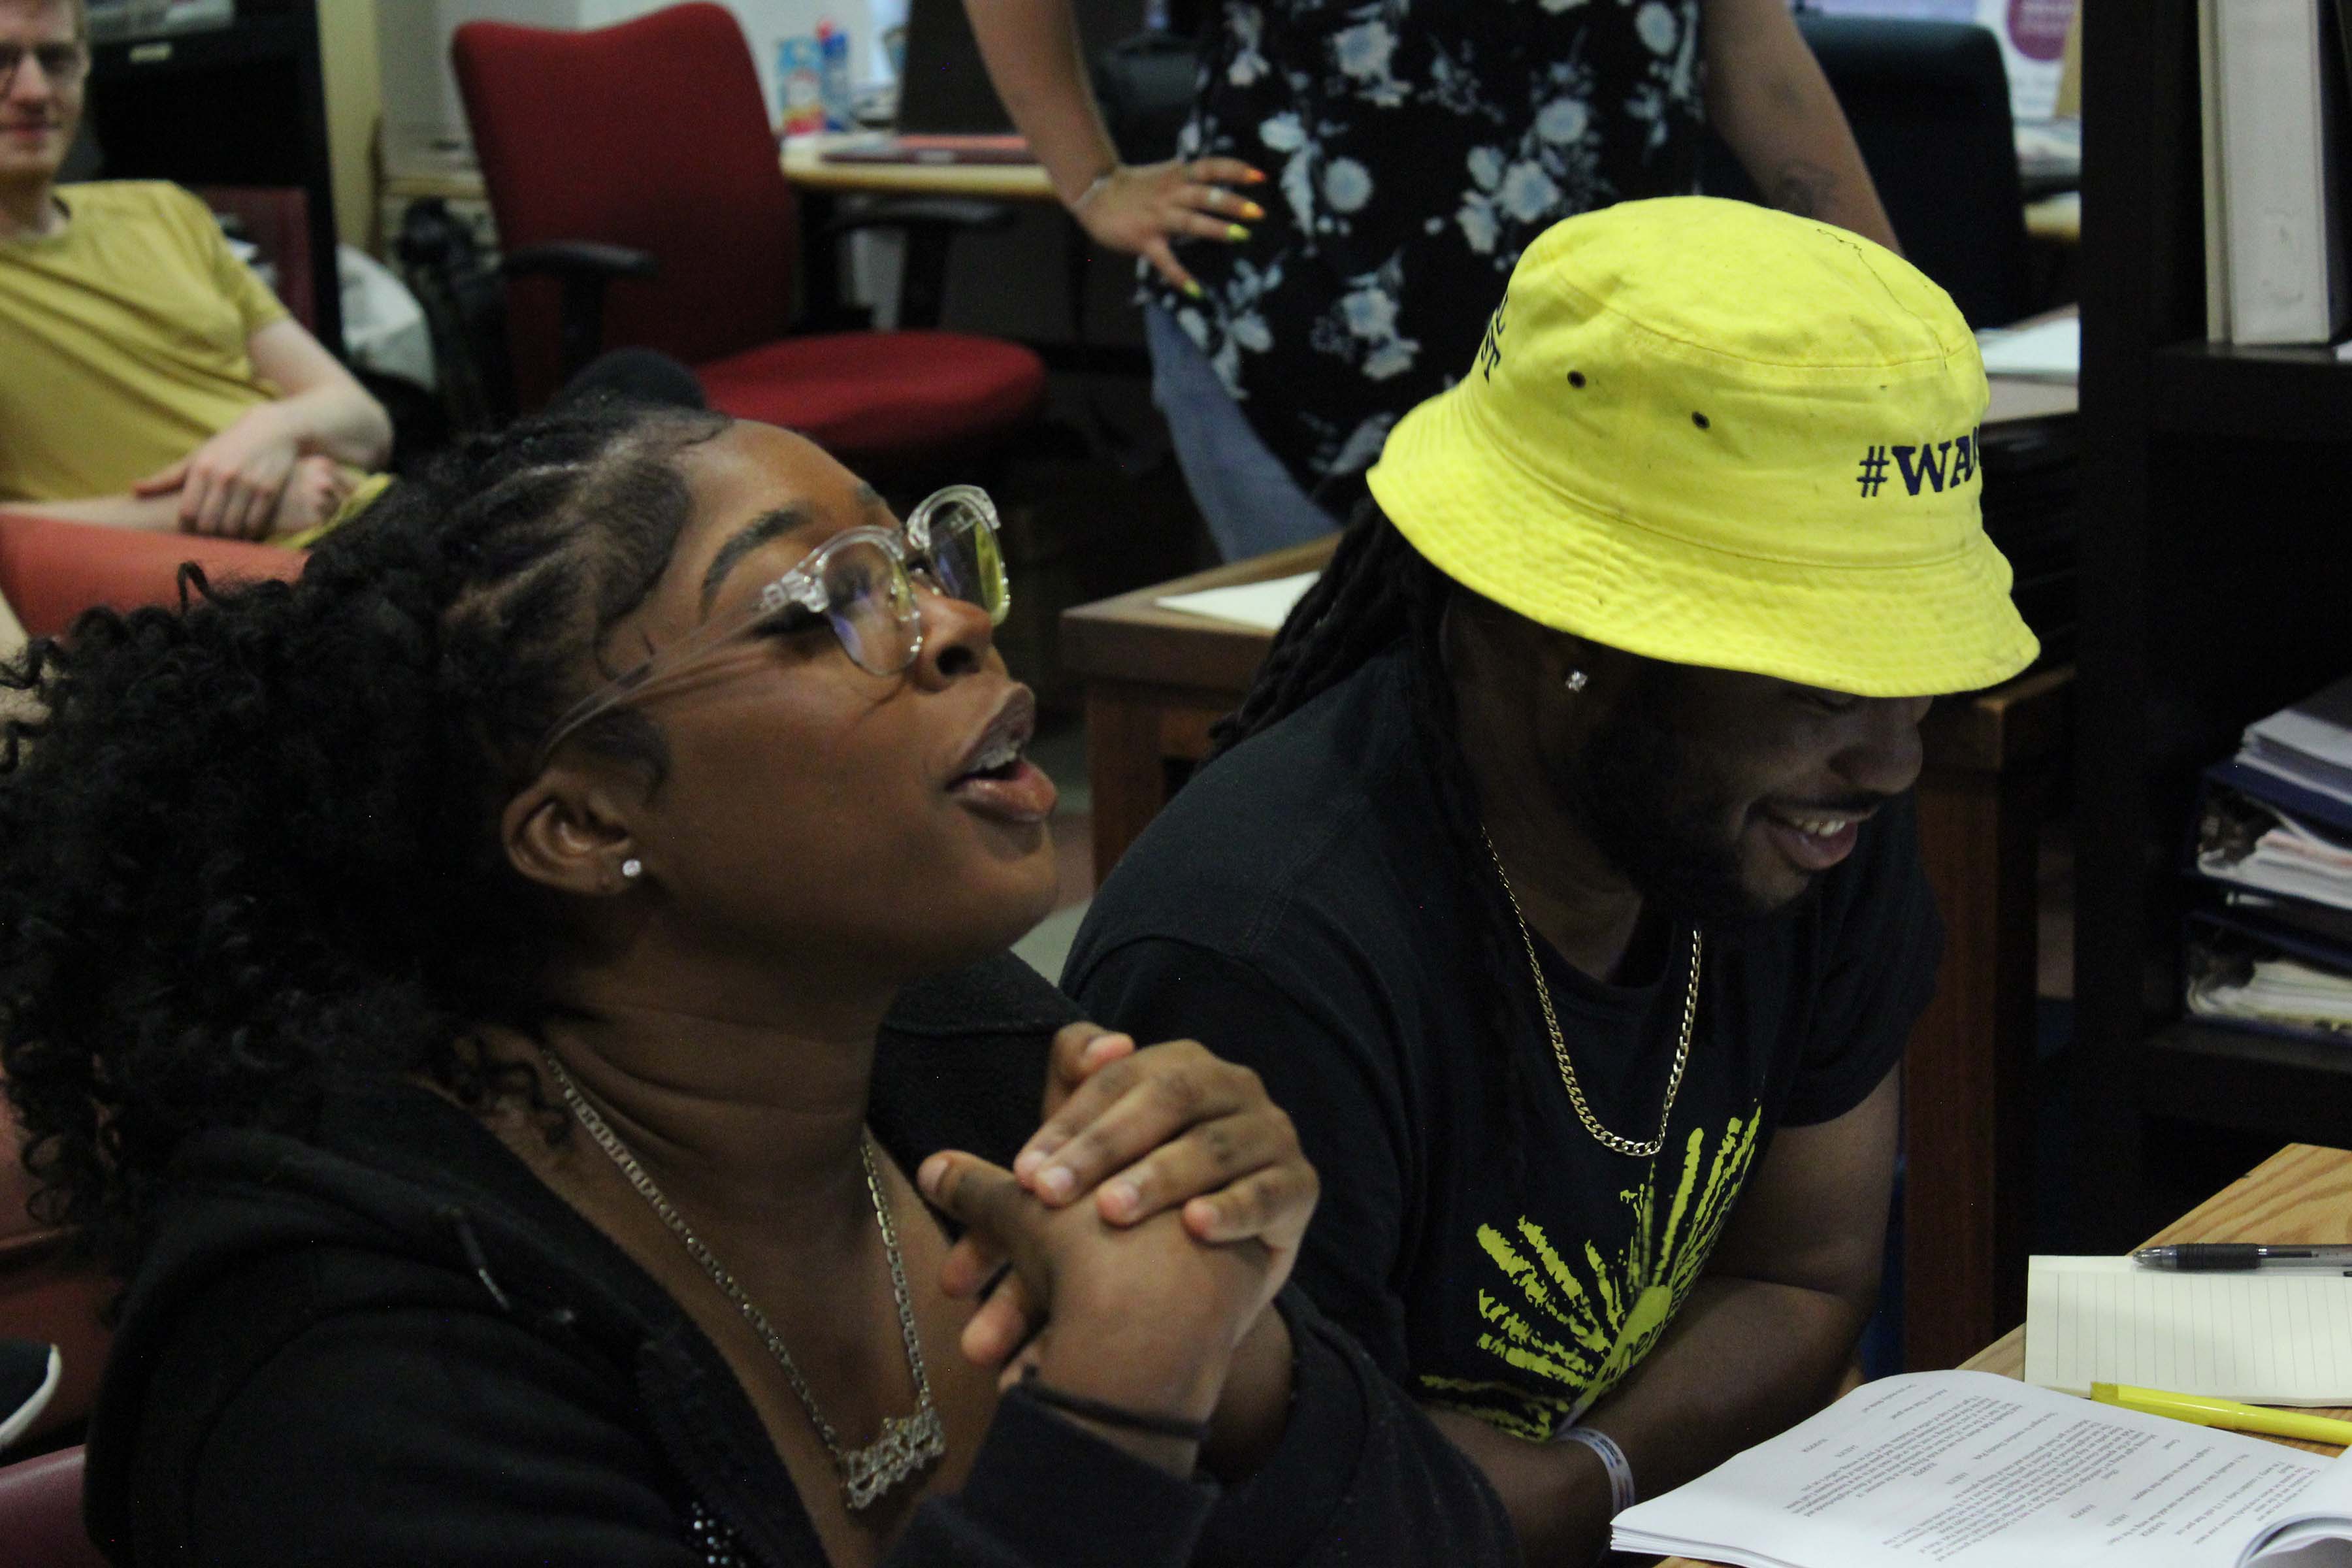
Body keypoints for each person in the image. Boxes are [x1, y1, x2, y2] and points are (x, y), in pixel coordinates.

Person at [0, 401, 1514, 1564]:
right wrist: (1122, 1398)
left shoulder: (978, 1055)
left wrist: (1246, 1350)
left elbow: (1445, 1537)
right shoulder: (346, 1370)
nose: (960, 620)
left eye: (924, 557)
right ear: (584, 823)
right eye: (827, 602)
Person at [1064, 197, 2042, 1563]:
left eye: (1916, 682)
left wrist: (1585, 1481)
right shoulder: (1262, 956)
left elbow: (1804, 1274)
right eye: (1826, 685)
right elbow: (1312, 1509)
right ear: (1560, 625)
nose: (1892, 759)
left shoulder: (1801, 828)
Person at [963, 0, 1899, 560]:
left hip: (1611, 359)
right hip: (1296, 346)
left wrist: (1893, 308)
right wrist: (1091, 182)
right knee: (1349, 759)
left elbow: (1752, 57)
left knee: (1604, 766)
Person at [0, 0, 393, 542]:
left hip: (382, 519)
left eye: (57, 59)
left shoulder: (163, 209)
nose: (35, 92)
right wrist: (226, 510)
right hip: (242, 588)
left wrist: (272, 431)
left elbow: (366, 422)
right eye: (1, 59)